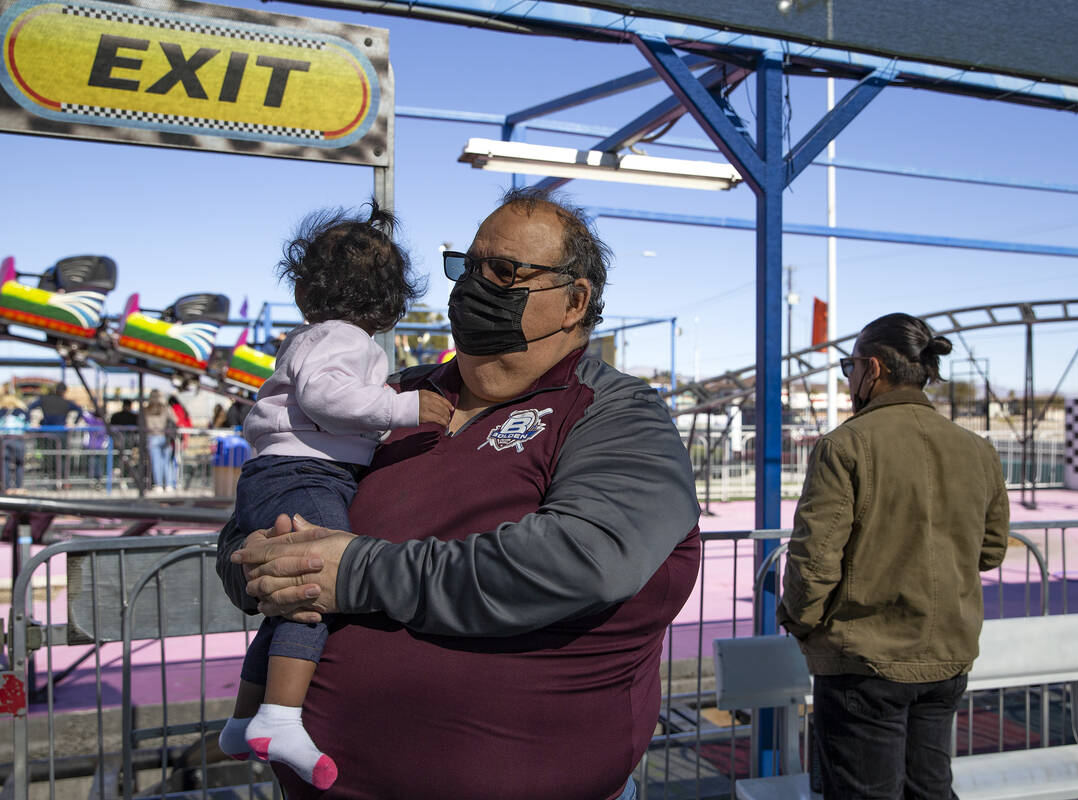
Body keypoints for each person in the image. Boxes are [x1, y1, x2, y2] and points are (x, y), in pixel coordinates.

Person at [216, 188, 701, 800]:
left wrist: (355, 571)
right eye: (466, 267)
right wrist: (258, 565)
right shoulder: (391, 396)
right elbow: (267, 497)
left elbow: (580, 559)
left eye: (502, 272)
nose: (472, 287)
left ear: (574, 302)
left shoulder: (617, 415)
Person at [215, 201, 453, 789]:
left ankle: (245, 717)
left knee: (282, 606)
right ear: (387, 298)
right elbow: (325, 397)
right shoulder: (345, 339)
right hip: (306, 473)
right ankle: (282, 717)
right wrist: (403, 408)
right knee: (313, 586)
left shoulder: (315, 334)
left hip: (284, 473)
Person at [777, 312, 1010, 800]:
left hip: (865, 663)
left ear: (874, 369)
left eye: (849, 367)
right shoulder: (977, 449)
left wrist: (800, 620)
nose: (848, 378)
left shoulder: (846, 445)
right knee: (930, 789)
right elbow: (990, 551)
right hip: (946, 658)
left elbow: (815, 561)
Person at [141, 390, 177, 491]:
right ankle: (169, 484)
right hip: (165, 436)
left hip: (152, 436)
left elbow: (141, 423)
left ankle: (159, 485)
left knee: (156, 462)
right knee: (167, 462)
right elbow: (175, 420)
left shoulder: (146, 410)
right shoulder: (165, 408)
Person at [0, 388, 29, 490]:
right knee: (19, 463)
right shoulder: (21, 411)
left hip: (5, 439)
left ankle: (6, 487)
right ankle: (19, 487)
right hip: (18, 438)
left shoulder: (2, 411)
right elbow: (27, 425)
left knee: (5, 464)